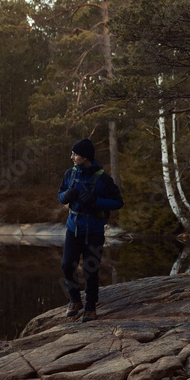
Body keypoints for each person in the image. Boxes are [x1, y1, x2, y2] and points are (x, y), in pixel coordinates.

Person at [58, 138, 123, 322]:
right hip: (73, 228)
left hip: (94, 230)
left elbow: (118, 202)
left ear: (85, 157)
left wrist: (95, 201)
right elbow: (60, 195)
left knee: (90, 269)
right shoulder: (69, 174)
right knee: (66, 264)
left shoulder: (103, 178)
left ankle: (91, 306)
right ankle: (75, 300)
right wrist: (66, 196)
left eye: (75, 154)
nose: (71, 156)